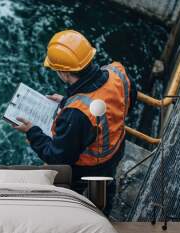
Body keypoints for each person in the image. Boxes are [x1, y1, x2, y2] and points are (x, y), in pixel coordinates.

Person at [12, 30, 137, 216]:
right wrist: (66, 102)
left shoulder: (76, 115)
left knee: (72, 195)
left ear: (64, 72)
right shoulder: (117, 72)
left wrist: (32, 131)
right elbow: (126, 101)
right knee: (106, 189)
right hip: (116, 148)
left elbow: (58, 157)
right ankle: (104, 211)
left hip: (89, 166)